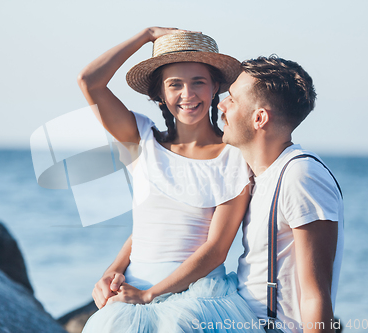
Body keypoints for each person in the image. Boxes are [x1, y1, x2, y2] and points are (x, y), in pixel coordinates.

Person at [77, 27, 265, 332]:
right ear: (159, 95)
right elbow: (89, 81)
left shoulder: (233, 156)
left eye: (198, 83)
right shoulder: (141, 140)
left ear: (215, 86)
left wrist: (150, 295)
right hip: (132, 292)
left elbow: (217, 248)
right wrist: (146, 35)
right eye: (174, 84)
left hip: (195, 299)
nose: (187, 95)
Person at [218, 56, 344, 333]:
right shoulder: (258, 175)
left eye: (232, 99)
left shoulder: (301, 175)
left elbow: (315, 295)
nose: (221, 104)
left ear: (259, 118)